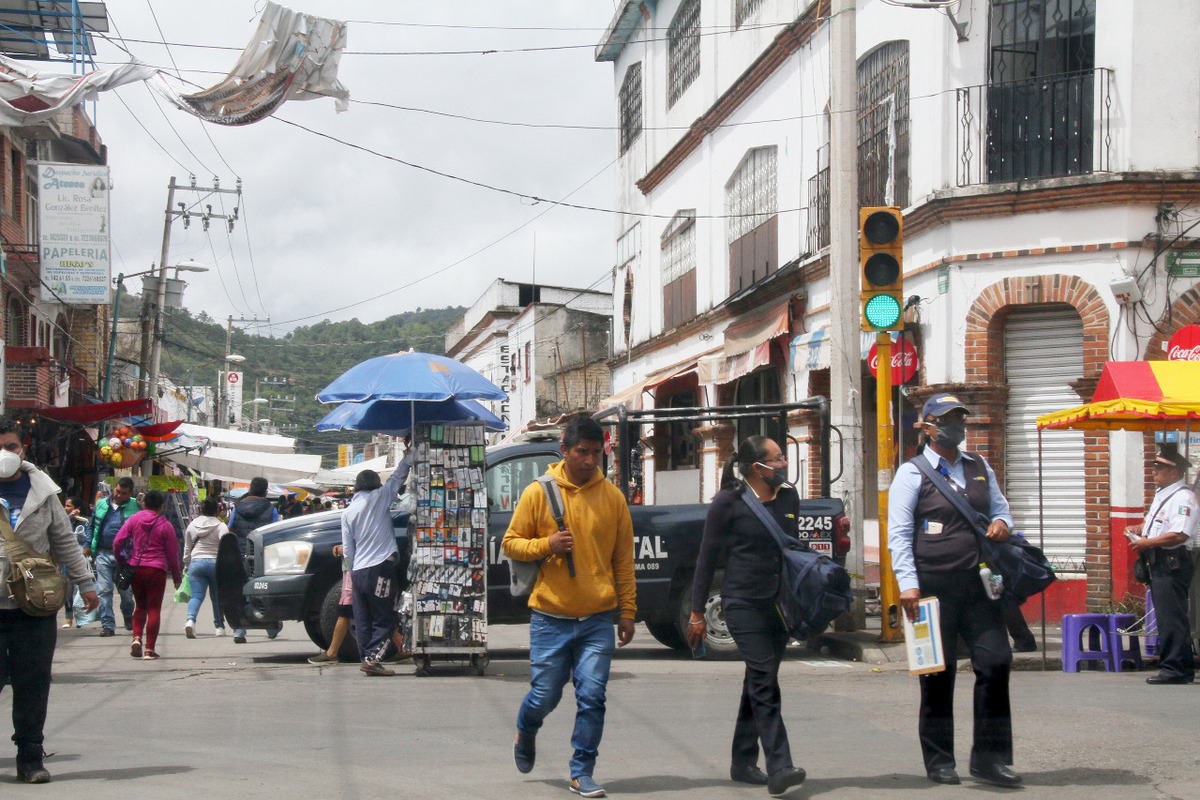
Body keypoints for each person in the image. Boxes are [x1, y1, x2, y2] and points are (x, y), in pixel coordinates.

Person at [887, 393, 1020, 787]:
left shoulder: (979, 466)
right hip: (931, 588)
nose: (956, 426)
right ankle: (940, 759)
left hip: (980, 586)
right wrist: (907, 585)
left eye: (960, 418)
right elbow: (898, 533)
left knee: (996, 663)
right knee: (937, 675)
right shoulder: (911, 474)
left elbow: (1001, 508)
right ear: (926, 426)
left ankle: (991, 759)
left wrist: (1002, 523)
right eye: (946, 419)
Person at [502, 414, 636, 799]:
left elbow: (623, 561)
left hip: (597, 619)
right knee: (546, 695)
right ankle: (526, 729)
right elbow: (510, 543)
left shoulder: (612, 498)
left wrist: (627, 611)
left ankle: (582, 770)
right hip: (550, 618)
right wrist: (547, 546)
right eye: (582, 452)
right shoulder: (537, 493)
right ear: (565, 450)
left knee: (593, 696)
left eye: (597, 453)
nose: (590, 460)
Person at [687, 435, 808, 797]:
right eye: (779, 458)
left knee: (759, 680)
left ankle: (742, 762)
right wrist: (697, 613)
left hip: (778, 606)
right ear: (758, 468)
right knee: (764, 681)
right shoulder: (728, 502)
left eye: (784, 458)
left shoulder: (788, 497)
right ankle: (780, 765)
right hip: (742, 604)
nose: (784, 464)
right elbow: (706, 559)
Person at [0, 416, 98, 782]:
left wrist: (86, 584)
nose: (4, 454)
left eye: (10, 447)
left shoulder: (42, 490)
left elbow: (64, 540)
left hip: (34, 606)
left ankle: (29, 758)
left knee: (33, 684)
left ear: (22, 448)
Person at [1127, 445, 1198, 685]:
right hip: (1157, 562)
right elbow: (1156, 524)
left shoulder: (1183, 497)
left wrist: (1148, 542)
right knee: (1167, 616)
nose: (1154, 472)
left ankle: (1175, 669)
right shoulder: (1162, 494)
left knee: (1172, 618)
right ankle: (1179, 667)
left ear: (1175, 472)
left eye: (1160, 468)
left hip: (1172, 562)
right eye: (1155, 467)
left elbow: (1179, 534)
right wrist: (1139, 530)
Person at [341, 458, 410, 677]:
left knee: (363, 618)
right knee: (385, 616)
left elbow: (347, 550)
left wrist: (353, 572)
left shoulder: (347, 512)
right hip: (380, 568)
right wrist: (409, 457)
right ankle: (373, 659)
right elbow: (398, 477)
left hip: (359, 571)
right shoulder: (379, 498)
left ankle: (366, 657)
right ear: (375, 485)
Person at [308, 546, 409, 665]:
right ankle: (403, 649)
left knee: (346, 612)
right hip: (356, 570)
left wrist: (345, 550)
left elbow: (359, 545)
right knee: (373, 615)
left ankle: (332, 653)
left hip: (356, 571)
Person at [113, 491, 182, 660]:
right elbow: (173, 554)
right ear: (162, 506)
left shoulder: (134, 519)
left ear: (144, 503)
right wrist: (177, 577)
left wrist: (121, 560)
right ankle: (149, 649)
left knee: (140, 606)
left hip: (136, 568)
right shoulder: (165, 525)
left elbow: (117, 542)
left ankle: (136, 638)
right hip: (157, 571)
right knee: (154, 609)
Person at [83, 476, 138, 636]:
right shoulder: (101, 504)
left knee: (126, 592)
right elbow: (92, 526)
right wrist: (87, 545)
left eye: (124, 493)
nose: (119, 495)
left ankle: (128, 615)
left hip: (125, 556)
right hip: (102, 554)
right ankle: (108, 625)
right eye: (118, 491)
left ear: (130, 494)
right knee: (104, 590)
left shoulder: (136, 506)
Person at [227, 476, 280, 643]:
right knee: (263, 591)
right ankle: (270, 627)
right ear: (266, 491)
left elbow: (231, 530)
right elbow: (275, 533)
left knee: (241, 591)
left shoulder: (237, 507)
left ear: (249, 489)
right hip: (263, 555)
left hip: (242, 554)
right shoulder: (271, 509)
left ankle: (239, 631)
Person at [183, 497, 231, 638]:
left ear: (200, 510)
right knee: (216, 597)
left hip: (196, 563)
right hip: (216, 564)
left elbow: (187, 548)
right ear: (217, 510)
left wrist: (186, 564)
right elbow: (225, 546)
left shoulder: (192, 525)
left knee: (196, 596)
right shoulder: (221, 526)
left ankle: (190, 621)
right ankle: (219, 627)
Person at [61, 496, 91, 629]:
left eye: (69, 506)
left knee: (82, 590)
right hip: (66, 559)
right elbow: (61, 530)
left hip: (82, 558)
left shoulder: (86, 521)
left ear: (77, 508)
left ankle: (81, 617)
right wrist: (70, 518)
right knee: (68, 590)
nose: (66, 508)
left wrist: (85, 549)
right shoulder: (65, 520)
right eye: (65, 506)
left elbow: (88, 536)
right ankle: (68, 618)